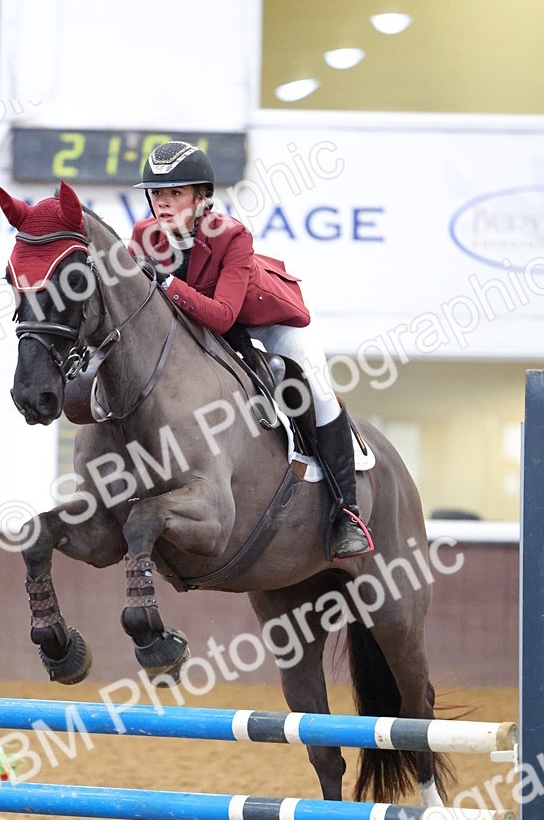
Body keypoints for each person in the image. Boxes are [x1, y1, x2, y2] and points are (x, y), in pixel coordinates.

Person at [130, 140, 372, 560]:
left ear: (202, 198)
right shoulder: (143, 236)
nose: (163, 204)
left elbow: (224, 315)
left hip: (267, 321)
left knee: (317, 389)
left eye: (175, 194)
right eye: (157, 194)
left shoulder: (231, 235)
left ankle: (346, 513)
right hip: (204, 324)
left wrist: (167, 282)